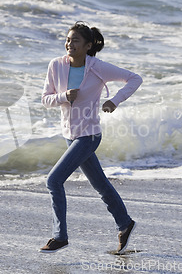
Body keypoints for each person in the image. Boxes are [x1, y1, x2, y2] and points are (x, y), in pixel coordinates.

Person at [39, 21, 142, 254]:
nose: (69, 44)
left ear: (87, 45)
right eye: (67, 39)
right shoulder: (56, 65)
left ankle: (60, 236)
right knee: (101, 184)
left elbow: (135, 78)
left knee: (53, 181)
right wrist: (63, 96)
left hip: (89, 135)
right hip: (70, 135)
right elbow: (45, 99)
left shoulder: (98, 67)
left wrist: (114, 101)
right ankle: (125, 224)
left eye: (75, 40)